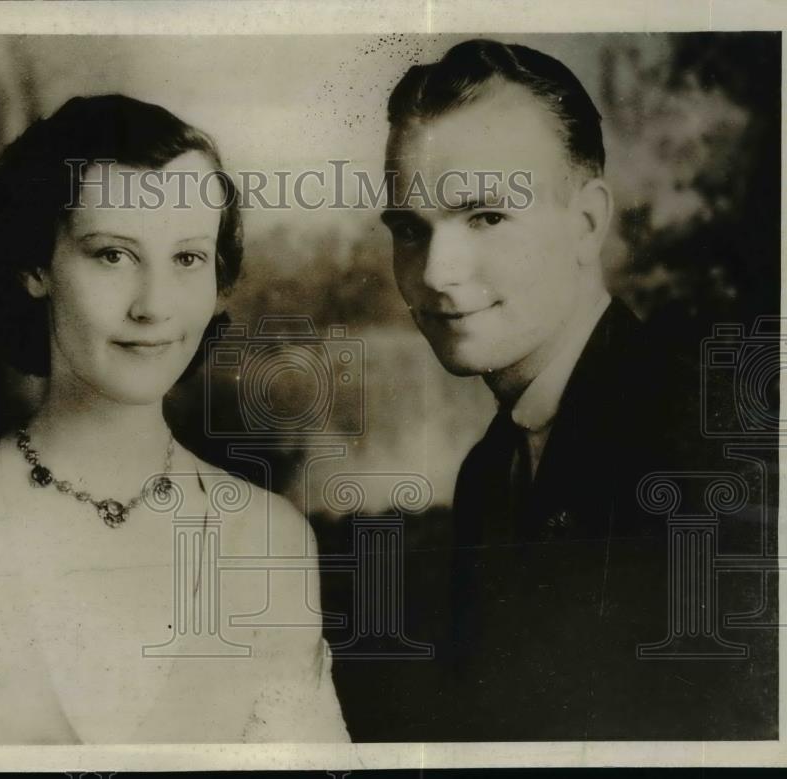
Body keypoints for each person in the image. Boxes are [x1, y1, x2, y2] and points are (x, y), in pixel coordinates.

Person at [0, 94, 350, 745]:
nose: (154, 305)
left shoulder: (271, 540)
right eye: (112, 254)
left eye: (187, 258)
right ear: (34, 264)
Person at [329, 39, 776, 740]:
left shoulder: (713, 449)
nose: (439, 271)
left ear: (588, 221)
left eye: (486, 216)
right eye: (412, 230)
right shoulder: (490, 470)